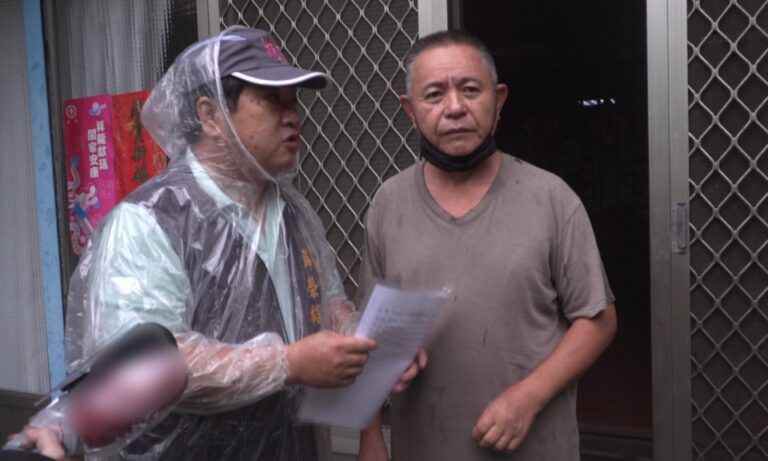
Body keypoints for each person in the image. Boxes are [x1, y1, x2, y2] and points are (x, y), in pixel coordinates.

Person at [64, 26, 380, 460]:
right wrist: (289, 364)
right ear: (210, 115)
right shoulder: (150, 221)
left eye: (293, 102)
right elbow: (138, 371)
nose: (292, 117)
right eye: (272, 100)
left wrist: (364, 345)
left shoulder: (293, 211)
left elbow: (326, 301)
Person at [357, 30, 617, 460]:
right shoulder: (388, 204)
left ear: (498, 100)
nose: (455, 107)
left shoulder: (552, 199)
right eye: (434, 94)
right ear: (410, 110)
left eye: (470, 90)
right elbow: (374, 335)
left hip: (535, 447)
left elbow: (598, 320)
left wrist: (529, 397)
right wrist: (369, 438)